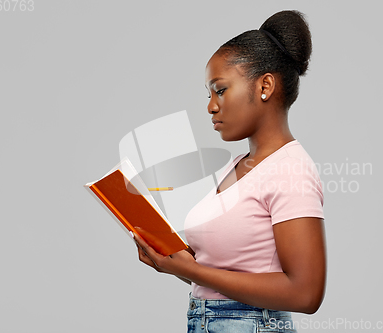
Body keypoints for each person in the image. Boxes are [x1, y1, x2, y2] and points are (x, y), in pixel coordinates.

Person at [131, 10, 326, 333]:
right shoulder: (235, 167)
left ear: (265, 86)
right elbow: (217, 273)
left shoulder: (291, 170)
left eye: (220, 90)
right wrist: (168, 258)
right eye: (208, 95)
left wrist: (193, 272)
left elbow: (306, 293)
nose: (210, 106)